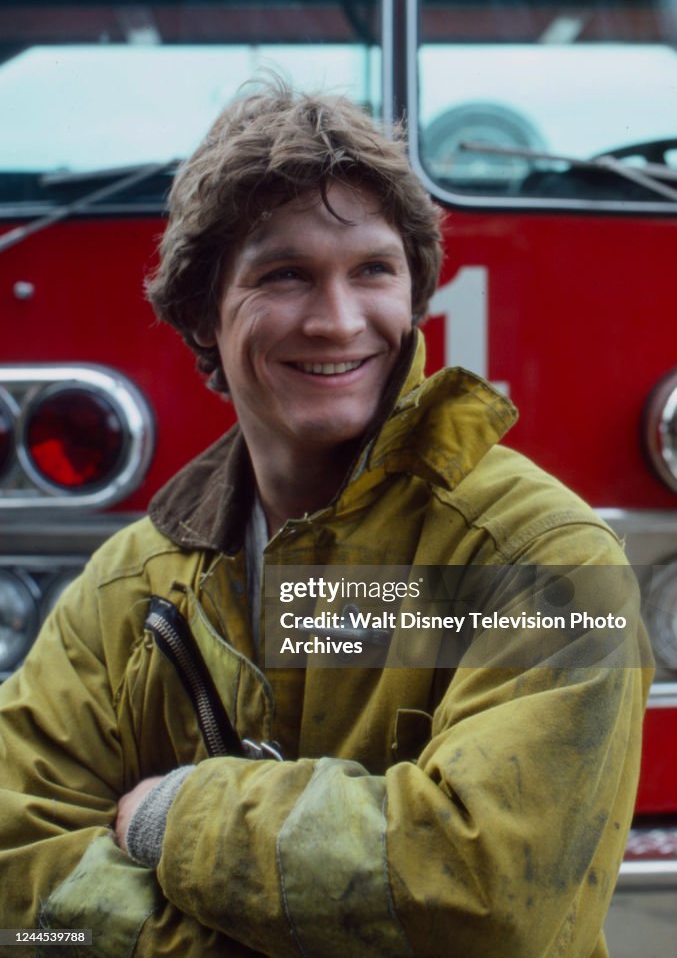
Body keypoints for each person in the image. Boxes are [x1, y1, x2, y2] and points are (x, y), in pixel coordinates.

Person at [0, 81, 652, 958]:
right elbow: (16, 872)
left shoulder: (547, 561)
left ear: (413, 294)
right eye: (284, 275)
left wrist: (171, 813)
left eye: (372, 270)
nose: (337, 320)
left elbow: (485, 893)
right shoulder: (128, 584)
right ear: (201, 310)